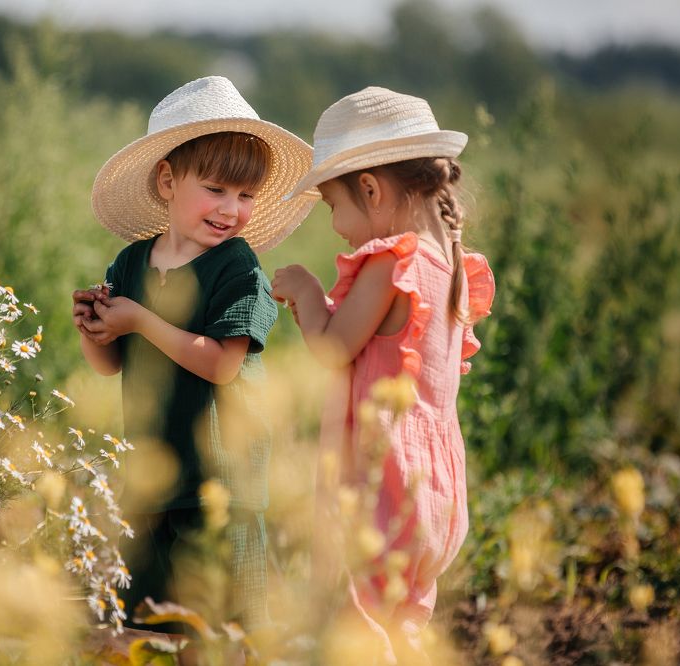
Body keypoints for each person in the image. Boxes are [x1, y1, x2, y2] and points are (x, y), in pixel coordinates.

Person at [72, 76, 315, 630]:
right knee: (151, 622)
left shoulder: (237, 267)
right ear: (167, 181)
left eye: (246, 196)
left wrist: (138, 318)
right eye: (216, 189)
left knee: (224, 625)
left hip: (221, 476)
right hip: (153, 472)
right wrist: (95, 329)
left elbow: (223, 364)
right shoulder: (130, 263)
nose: (231, 209)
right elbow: (112, 365)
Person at [270, 87, 496, 663]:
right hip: (434, 491)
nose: (336, 226)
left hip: (384, 483)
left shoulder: (390, 261)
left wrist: (303, 289)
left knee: (358, 626)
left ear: (370, 188)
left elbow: (333, 347)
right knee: (405, 623)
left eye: (332, 207)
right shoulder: (449, 261)